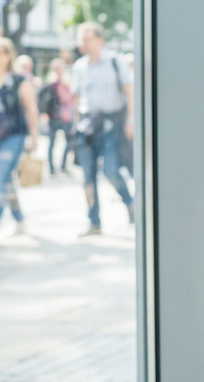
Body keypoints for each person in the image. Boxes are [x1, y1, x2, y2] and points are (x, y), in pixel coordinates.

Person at [72, 22, 135, 236]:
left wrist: (130, 121)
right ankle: (94, 221)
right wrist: (76, 125)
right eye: (81, 39)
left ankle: (130, 202)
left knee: (111, 170)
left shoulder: (116, 61)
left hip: (111, 125)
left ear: (100, 40)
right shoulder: (80, 66)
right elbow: (77, 98)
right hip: (88, 126)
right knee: (87, 176)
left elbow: (129, 91)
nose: (83, 43)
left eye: (87, 39)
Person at [0, 38, 40, 244]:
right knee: (5, 181)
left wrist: (34, 137)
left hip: (13, 135)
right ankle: (19, 219)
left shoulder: (19, 80)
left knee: (0, 179)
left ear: (9, 56)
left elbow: (31, 109)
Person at [38, 58, 74, 174]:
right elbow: (43, 101)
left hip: (66, 116)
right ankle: (52, 168)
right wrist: (44, 113)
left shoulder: (67, 83)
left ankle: (63, 165)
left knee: (69, 142)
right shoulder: (50, 85)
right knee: (52, 142)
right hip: (54, 116)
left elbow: (71, 99)